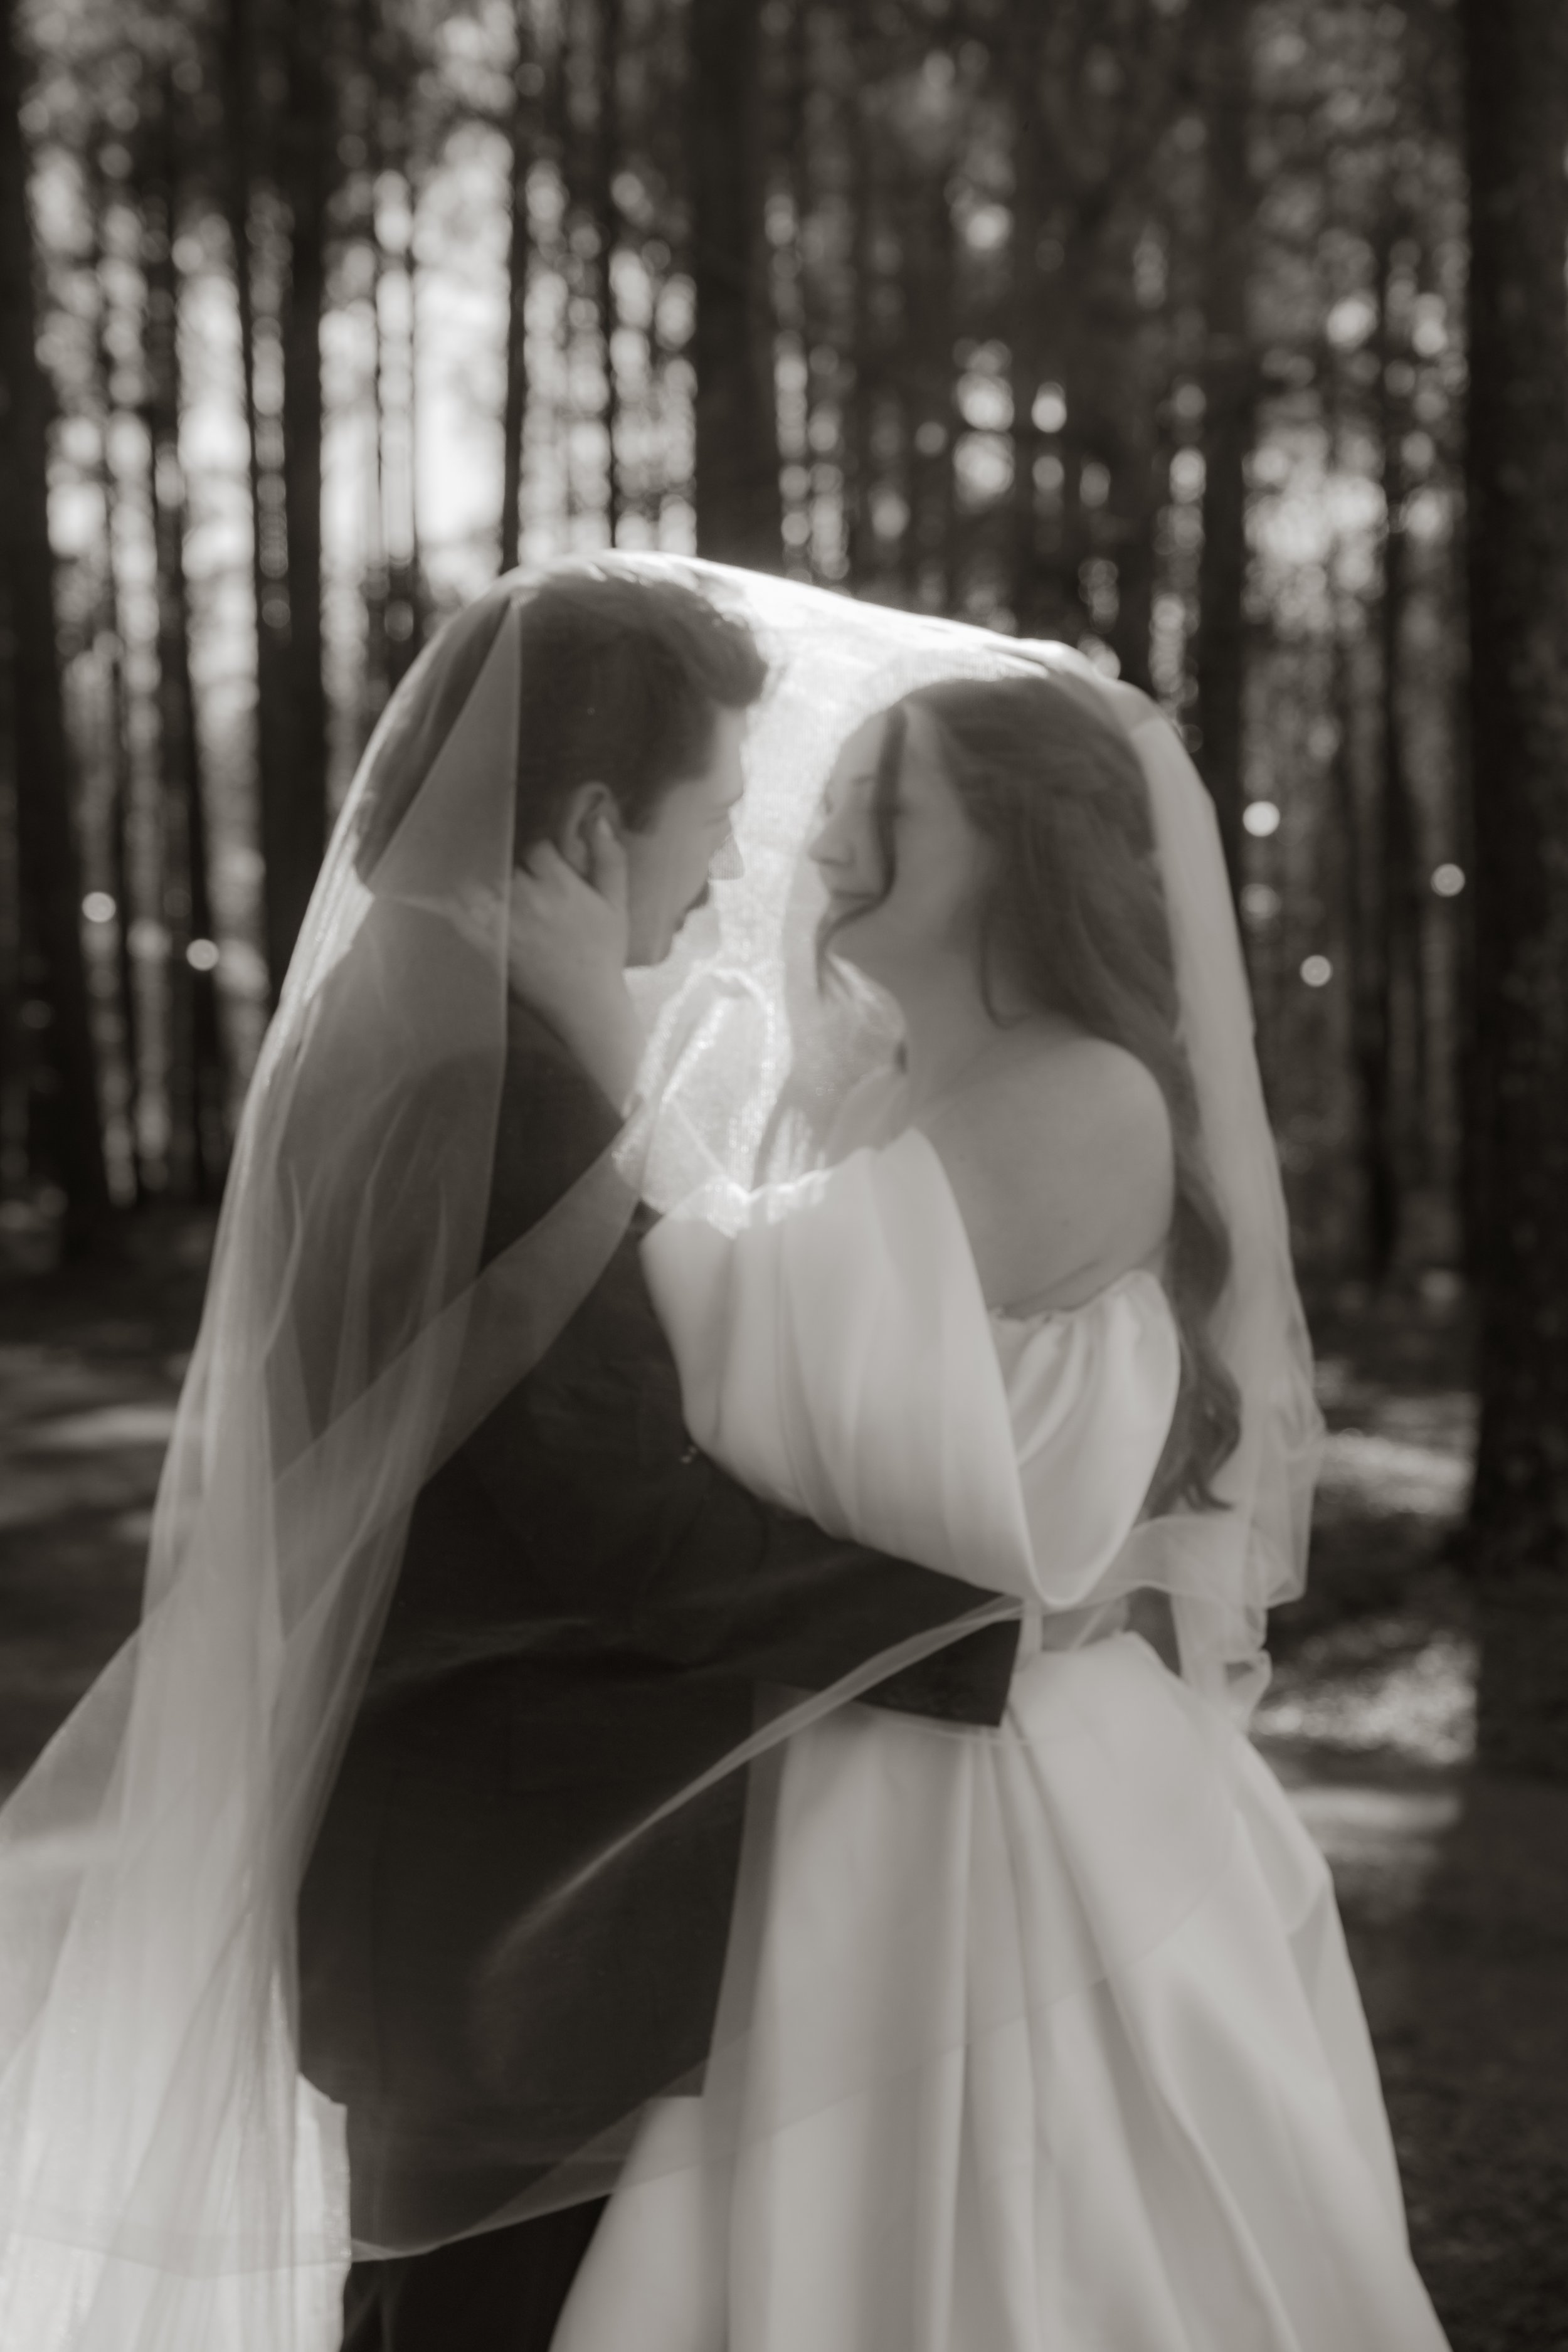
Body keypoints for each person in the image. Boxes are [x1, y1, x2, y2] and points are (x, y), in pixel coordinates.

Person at [0, 560, 1020, 2352]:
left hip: (440, 1863)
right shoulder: (497, 1077)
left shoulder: (406, 1009)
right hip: (516, 1893)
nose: (720, 874)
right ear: (589, 819)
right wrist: (994, 1619)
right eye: (707, 819)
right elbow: (620, 1524)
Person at [509, 666, 1454, 2349]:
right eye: (839, 799)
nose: (832, 830)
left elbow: (733, 1362)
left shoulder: (1080, 1092)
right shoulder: (877, 1099)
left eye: (893, 801)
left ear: (1020, 844)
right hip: (869, 1744)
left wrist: (591, 1039)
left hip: (995, 1801)